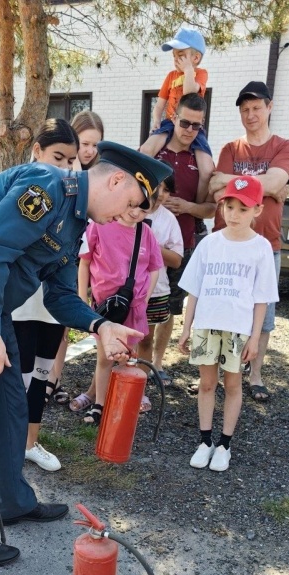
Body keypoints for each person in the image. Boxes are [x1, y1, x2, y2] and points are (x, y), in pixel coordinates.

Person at [0, 141, 172, 566]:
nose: (127, 216)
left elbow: (59, 295)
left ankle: (13, 501)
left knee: (12, 408)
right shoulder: (47, 188)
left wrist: (100, 324)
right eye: (130, 203)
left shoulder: (76, 221)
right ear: (115, 180)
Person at [178, 175, 279, 471]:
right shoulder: (209, 244)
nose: (234, 215)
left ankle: (224, 445)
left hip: (238, 329)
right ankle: (205, 440)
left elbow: (262, 299)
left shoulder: (260, 248)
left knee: (233, 384)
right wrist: (186, 328)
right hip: (206, 325)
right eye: (229, 207)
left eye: (243, 209)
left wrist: (253, 337)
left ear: (257, 210)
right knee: (207, 383)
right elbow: (194, 290)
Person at [208, 81, 289, 402]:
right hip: (226, 242)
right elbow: (217, 192)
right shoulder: (231, 149)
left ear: (269, 107)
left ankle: (255, 375)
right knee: (223, 306)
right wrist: (266, 186)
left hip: (266, 243)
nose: (251, 114)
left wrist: (233, 181)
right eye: (245, 110)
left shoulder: (283, 146)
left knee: (264, 315)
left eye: (256, 108)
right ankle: (216, 373)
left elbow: (276, 180)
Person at [11, 119, 79, 472]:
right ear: (36, 151)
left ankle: (30, 444)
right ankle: (7, 444)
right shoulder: (22, 193)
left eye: (71, 160)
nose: (66, 167)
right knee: (16, 380)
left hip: (51, 306)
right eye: (58, 157)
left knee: (40, 377)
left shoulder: (72, 201)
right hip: (20, 305)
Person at [77, 196, 164, 424]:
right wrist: (81, 295)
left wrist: (145, 298)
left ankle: (123, 402)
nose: (135, 213)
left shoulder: (145, 233)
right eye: (132, 205)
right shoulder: (100, 225)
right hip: (104, 306)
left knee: (128, 358)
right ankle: (100, 405)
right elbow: (84, 262)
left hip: (133, 308)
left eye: (143, 210)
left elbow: (154, 267)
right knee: (105, 357)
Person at [153, 92, 216, 382]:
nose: (190, 130)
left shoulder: (201, 159)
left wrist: (187, 206)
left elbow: (210, 208)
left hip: (183, 244)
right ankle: (138, 359)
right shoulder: (158, 150)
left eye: (196, 126)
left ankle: (157, 362)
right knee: (145, 303)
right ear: (174, 118)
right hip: (148, 241)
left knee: (169, 310)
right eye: (185, 123)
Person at [46, 110, 105, 408]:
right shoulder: (65, 176)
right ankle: (48, 378)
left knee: (65, 324)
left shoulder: (95, 175)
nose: (89, 150)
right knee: (53, 322)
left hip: (83, 254)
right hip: (62, 258)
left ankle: (54, 378)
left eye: (96, 145)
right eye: (85, 143)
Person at [140, 26, 213, 203]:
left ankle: (198, 211)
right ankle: (141, 194)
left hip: (192, 124)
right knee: (145, 151)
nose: (176, 60)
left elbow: (189, 93)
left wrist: (189, 71)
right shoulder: (171, 76)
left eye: (181, 56)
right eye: (174, 56)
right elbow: (160, 104)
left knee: (207, 169)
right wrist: (156, 120)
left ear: (195, 58)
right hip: (169, 122)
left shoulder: (200, 74)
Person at [137, 175, 184, 395]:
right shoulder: (131, 208)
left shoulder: (168, 219)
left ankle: (140, 386)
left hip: (156, 289)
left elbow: (176, 259)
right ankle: (109, 384)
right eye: (157, 188)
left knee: (146, 337)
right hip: (125, 288)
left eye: (166, 190)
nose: (160, 195)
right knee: (122, 338)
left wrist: (150, 244)